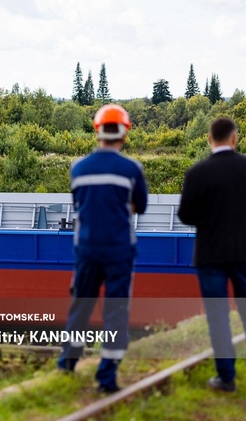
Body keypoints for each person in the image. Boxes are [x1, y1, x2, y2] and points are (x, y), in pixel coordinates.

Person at [178, 117, 246, 394]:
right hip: (245, 252)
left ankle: (227, 378)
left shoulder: (197, 173)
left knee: (217, 316)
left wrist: (209, 219)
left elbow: (185, 215)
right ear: (234, 139)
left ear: (209, 139)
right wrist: (244, 218)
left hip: (210, 254)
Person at [57, 103, 149, 393]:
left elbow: (81, 205)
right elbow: (140, 206)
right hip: (119, 250)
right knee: (116, 311)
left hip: (86, 249)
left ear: (97, 131)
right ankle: (106, 377)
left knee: (81, 305)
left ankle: (67, 364)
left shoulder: (78, 168)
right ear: (124, 132)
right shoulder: (132, 168)